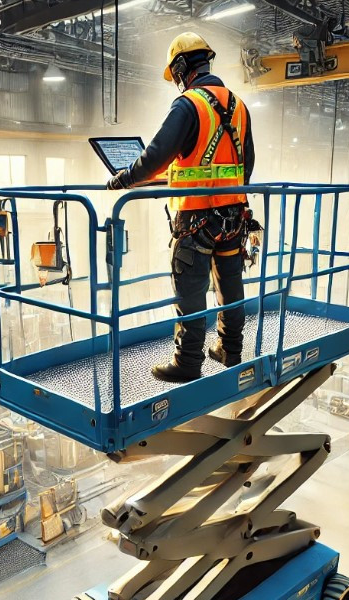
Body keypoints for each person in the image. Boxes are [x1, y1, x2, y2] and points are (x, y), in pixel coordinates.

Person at [107, 32, 256, 383]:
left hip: (196, 218)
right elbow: (245, 163)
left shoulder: (189, 104)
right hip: (234, 215)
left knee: (190, 290)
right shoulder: (238, 105)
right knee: (230, 284)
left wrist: (124, 179)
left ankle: (188, 363)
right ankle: (229, 349)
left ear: (180, 67)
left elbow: (156, 156)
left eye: (174, 73)